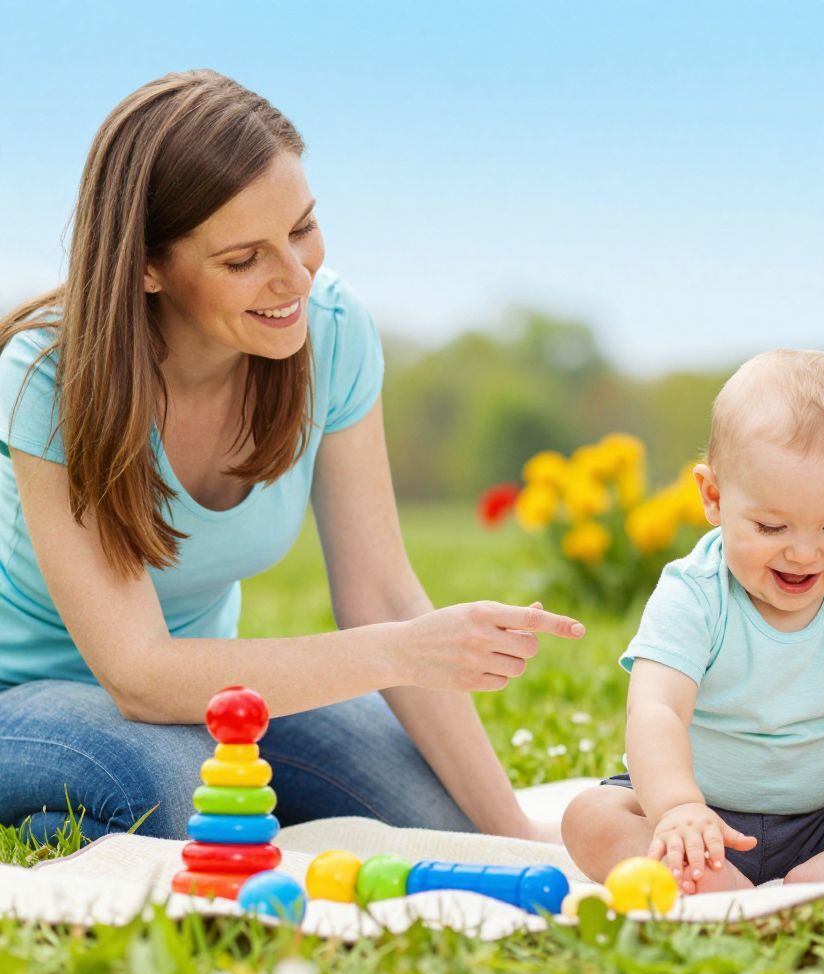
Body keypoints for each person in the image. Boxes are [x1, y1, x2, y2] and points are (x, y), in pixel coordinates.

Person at [0, 70, 584, 844]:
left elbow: (378, 593)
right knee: (188, 796)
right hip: (32, 692)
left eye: (302, 228)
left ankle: (88, 821)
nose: (295, 278)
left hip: (212, 684)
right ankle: (73, 816)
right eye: (243, 259)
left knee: (441, 822)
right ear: (147, 267)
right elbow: (137, 674)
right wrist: (395, 653)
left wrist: (515, 831)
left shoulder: (331, 328)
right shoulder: (53, 375)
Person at [561, 350, 824, 891]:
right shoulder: (694, 594)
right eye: (771, 527)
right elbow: (656, 709)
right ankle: (713, 877)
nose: (803, 554)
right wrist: (677, 806)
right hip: (699, 815)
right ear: (714, 497)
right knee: (590, 817)